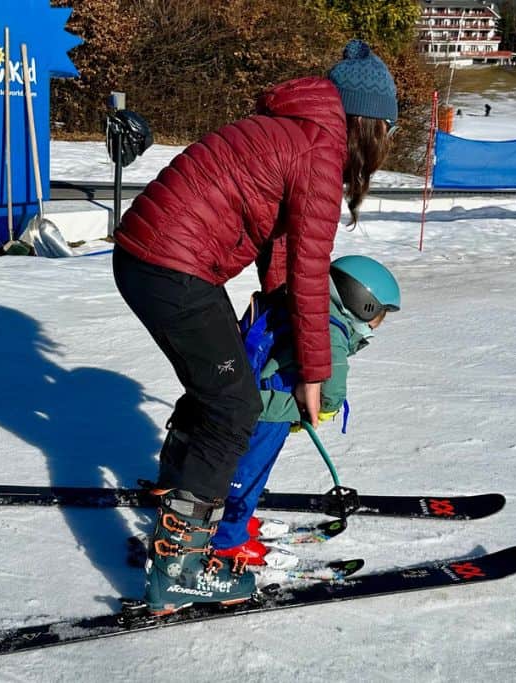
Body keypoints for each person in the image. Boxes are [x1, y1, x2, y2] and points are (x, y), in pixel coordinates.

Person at [112, 39, 398, 615]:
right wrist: (314, 374)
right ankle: (180, 566)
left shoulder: (295, 129)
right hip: (172, 265)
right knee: (234, 407)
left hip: (151, 257)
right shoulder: (320, 150)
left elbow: (286, 257)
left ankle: (179, 497)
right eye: (386, 132)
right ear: (368, 123)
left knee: (221, 389)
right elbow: (313, 274)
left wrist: (279, 320)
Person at [212, 255, 401, 567]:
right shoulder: (332, 329)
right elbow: (332, 386)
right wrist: (324, 410)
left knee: (247, 470)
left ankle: (237, 520)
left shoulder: (307, 302)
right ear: (361, 302)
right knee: (247, 473)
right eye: (378, 316)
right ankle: (227, 541)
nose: (375, 326)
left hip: (256, 399)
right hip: (270, 410)